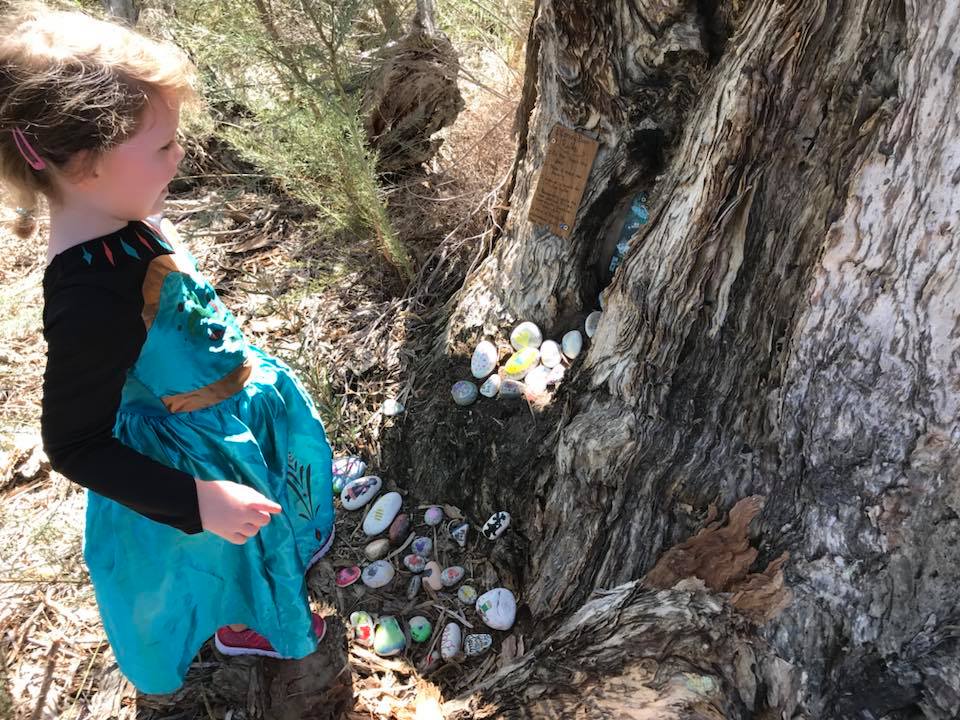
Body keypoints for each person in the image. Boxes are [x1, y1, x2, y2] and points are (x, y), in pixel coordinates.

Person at [0, 3, 336, 695]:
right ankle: (242, 615)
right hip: (191, 458)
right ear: (85, 164)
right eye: (162, 147)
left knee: (266, 514)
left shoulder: (115, 210)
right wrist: (196, 499)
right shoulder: (89, 298)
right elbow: (74, 442)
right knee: (219, 552)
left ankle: (271, 561)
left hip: (223, 406)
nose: (180, 155)